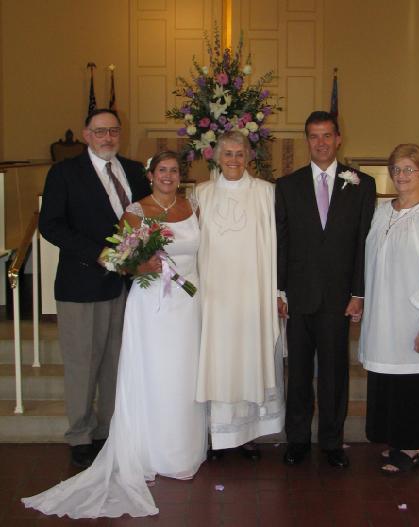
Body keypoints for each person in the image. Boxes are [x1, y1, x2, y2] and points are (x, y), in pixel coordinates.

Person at [22, 151, 207, 517]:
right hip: (151, 304)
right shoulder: (136, 211)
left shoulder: (193, 206)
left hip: (188, 305)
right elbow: (118, 258)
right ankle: (148, 451)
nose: (168, 176)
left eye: (174, 171)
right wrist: (142, 264)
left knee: (183, 376)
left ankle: (183, 449)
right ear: (151, 176)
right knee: (152, 375)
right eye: (162, 171)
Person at [38, 109, 150, 469]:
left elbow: (148, 218)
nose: (108, 137)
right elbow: (51, 226)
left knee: (115, 362)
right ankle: (80, 434)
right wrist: (99, 254)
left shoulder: (133, 171)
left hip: (125, 285)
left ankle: (107, 428)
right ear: (87, 135)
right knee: (82, 364)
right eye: (100, 131)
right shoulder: (64, 173)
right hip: (82, 282)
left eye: (114, 131)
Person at [275, 111, 376, 468]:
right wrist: (280, 291)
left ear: (338, 138)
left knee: (335, 374)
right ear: (308, 140)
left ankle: (332, 441)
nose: (320, 142)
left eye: (327, 135)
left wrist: (358, 292)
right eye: (314, 136)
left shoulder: (362, 184)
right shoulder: (287, 186)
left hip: (338, 297)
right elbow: (282, 243)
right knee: (299, 372)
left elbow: (364, 243)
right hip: (299, 296)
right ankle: (298, 439)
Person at [358, 144, 419, 474]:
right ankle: (397, 440)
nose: (402, 176)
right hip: (385, 315)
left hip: (416, 315)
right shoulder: (383, 211)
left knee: (415, 383)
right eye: (397, 170)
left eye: (409, 170)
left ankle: (414, 446)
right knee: (391, 380)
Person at [196, 131, 284, 460]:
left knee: (249, 358)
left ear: (249, 157)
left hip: (252, 293)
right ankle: (218, 436)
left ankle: (247, 434)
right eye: (227, 153)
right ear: (217, 157)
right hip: (214, 295)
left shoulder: (265, 193)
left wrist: (277, 291)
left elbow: (276, 245)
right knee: (219, 361)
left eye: (239, 153)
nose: (233, 159)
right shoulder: (201, 194)